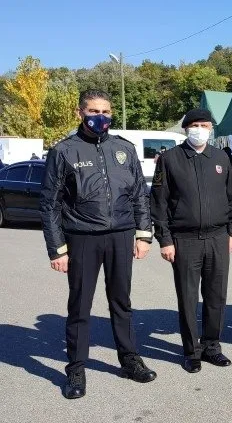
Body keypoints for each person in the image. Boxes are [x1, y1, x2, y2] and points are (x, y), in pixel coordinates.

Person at [40, 89, 157, 399]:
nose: (100, 117)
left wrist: (144, 234)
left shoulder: (124, 149)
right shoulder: (64, 151)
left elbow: (139, 195)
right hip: (81, 238)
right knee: (80, 305)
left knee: (122, 301)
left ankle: (129, 359)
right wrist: (57, 248)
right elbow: (49, 204)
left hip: (121, 235)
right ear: (81, 113)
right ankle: (76, 369)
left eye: (106, 111)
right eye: (94, 111)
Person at [150, 108, 232, 373]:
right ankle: (191, 351)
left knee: (216, 296)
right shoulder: (170, 159)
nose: (201, 129)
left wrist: (231, 232)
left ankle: (212, 346)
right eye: (196, 125)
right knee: (188, 298)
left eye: (206, 125)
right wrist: (164, 239)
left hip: (217, 238)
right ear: (186, 128)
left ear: (211, 129)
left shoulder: (221, 157)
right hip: (185, 240)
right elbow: (159, 202)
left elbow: (231, 198)